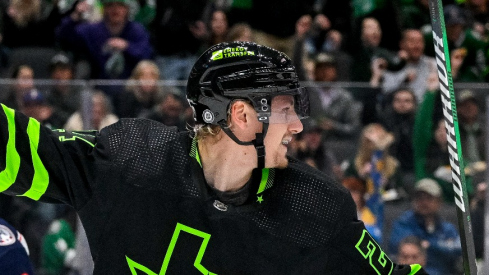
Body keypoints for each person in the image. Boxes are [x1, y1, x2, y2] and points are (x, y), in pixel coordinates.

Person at [0, 41, 427, 274]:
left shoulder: (314, 205)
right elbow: (19, 148)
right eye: (285, 110)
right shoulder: (131, 159)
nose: (297, 126)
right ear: (241, 115)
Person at [56, 0, 154, 81]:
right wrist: (76, 15)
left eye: (120, 5)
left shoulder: (137, 30)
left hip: (129, 87)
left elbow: (147, 53)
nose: (115, 10)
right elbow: (64, 37)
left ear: (127, 9)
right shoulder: (93, 30)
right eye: (110, 5)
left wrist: (127, 46)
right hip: (98, 86)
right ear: (105, 8)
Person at [389, 178, 462, 275]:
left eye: (429, 198)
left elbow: (459, 249)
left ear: (439, 201)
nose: (424, 202)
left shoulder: (447, 228)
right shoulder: (403, 223)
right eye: (419, 198)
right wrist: (443, 246)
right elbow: (402, 247)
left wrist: (431, 244)